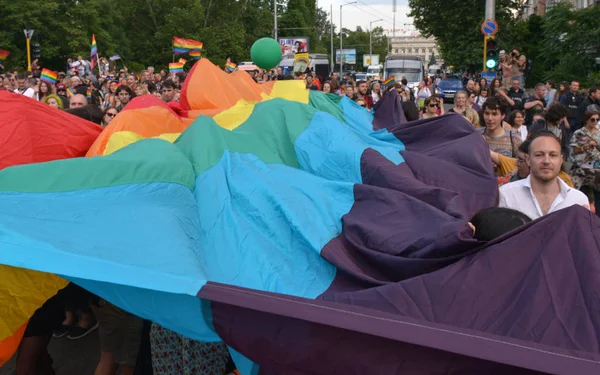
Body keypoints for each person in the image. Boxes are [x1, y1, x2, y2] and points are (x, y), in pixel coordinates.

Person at [499, 130, 589, 220]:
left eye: (553, 155)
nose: (546, 161)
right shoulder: (507, 195)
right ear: (528, 159)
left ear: (561, 160)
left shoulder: (578, 200)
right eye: (539, 155)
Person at [568, 110, 600, 213]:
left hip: (597, 169)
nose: (595, 121)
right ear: (586, 120)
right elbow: (574, 150)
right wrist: (588, 145)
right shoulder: (579, 133)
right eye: (592, 119)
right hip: (581, 169)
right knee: (574, 194)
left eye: (597, 119)